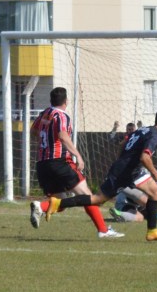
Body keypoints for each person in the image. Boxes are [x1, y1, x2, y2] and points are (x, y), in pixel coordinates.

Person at [35, 106, 157, 242]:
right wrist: (156, 173)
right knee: (97, 199)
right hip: (125, 172)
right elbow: (145, 157)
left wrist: (124, 160)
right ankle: (57, 203)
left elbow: (123, 144)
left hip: (132, 170)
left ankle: (152, 231)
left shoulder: (146, 129)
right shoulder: (154, 136)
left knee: (155, 193)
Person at [28, 87, 123, 239]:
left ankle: (42, 207)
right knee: (86, 195)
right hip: (59, 162)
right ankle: (103, 230)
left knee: (60, 202)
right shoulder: (61, 116)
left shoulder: (45, 113)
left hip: (42, 164)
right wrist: (78, 155)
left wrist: (45, 141)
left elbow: (33, 131)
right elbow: (63, 136)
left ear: (51, 101)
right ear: (66, 101)